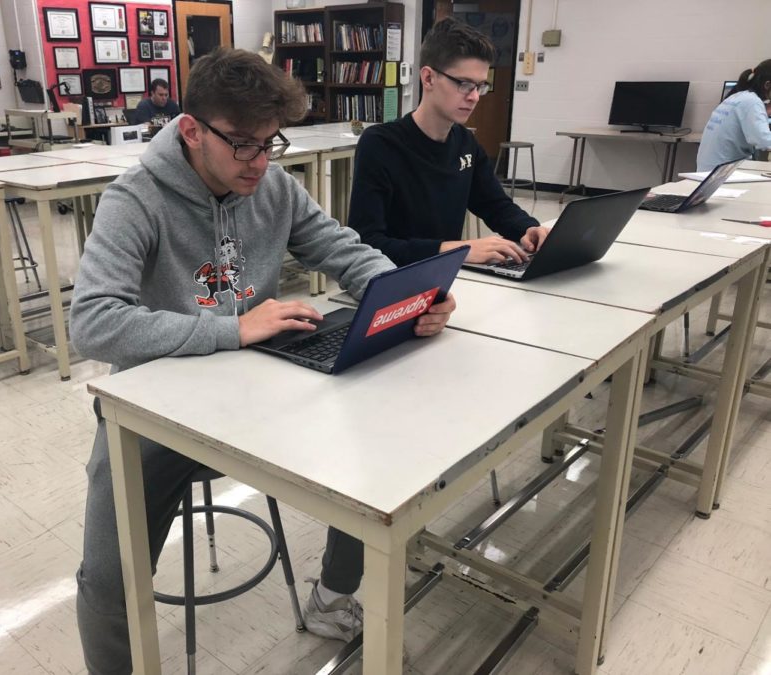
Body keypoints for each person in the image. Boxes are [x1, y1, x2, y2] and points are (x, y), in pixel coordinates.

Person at [70, 47, 457, 674]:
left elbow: (344, 249)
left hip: (265, 390)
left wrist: (410, 297)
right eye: (244, 145)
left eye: (271, 142)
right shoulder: (135, 200)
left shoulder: (272, 184)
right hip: (158, 413)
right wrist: (230, 328)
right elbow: (93, 324)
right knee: (107, 571)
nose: (260, 162)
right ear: (192, 130)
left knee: (375, 445)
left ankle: (333, 597)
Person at [348, 18, 551, 268]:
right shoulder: (380, 144)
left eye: (480, 86)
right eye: (464, 84)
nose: (475, 97)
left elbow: (494, 204)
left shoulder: (466, 143)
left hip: (444, 277)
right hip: (393, 280)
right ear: (429, 78)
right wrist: (455, 250)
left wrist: (528, 228)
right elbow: (368, 243)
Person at [697, 60, 771, 171]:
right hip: (721, 174)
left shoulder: (737, 97)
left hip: (709, 171)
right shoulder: (752, 102)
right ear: (767, 85)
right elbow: (764, 141)